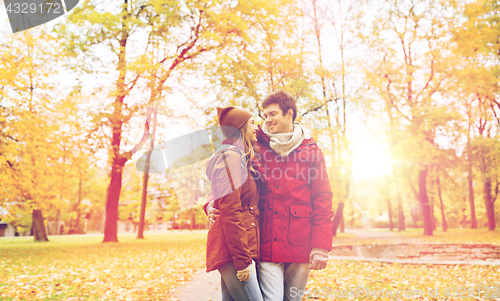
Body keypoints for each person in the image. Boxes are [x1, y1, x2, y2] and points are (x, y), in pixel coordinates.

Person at [208, 91, 334, 301]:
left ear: (289, 114)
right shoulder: (255, 143)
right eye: (265, 115)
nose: (267, 120)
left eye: (272, 114)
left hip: (301, 244)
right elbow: (225, 175)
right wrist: (211, 202)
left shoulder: (311, 150)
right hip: (266, 243)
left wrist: (320, 246)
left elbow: (323, 197)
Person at [205, 107, 265, 301]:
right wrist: (242, 261)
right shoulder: (230, 157)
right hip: (233, 252)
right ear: (240, 128)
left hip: (238, 249)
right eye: (252, 123)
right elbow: (231, 210)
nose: (257, 127)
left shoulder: (241, 158)